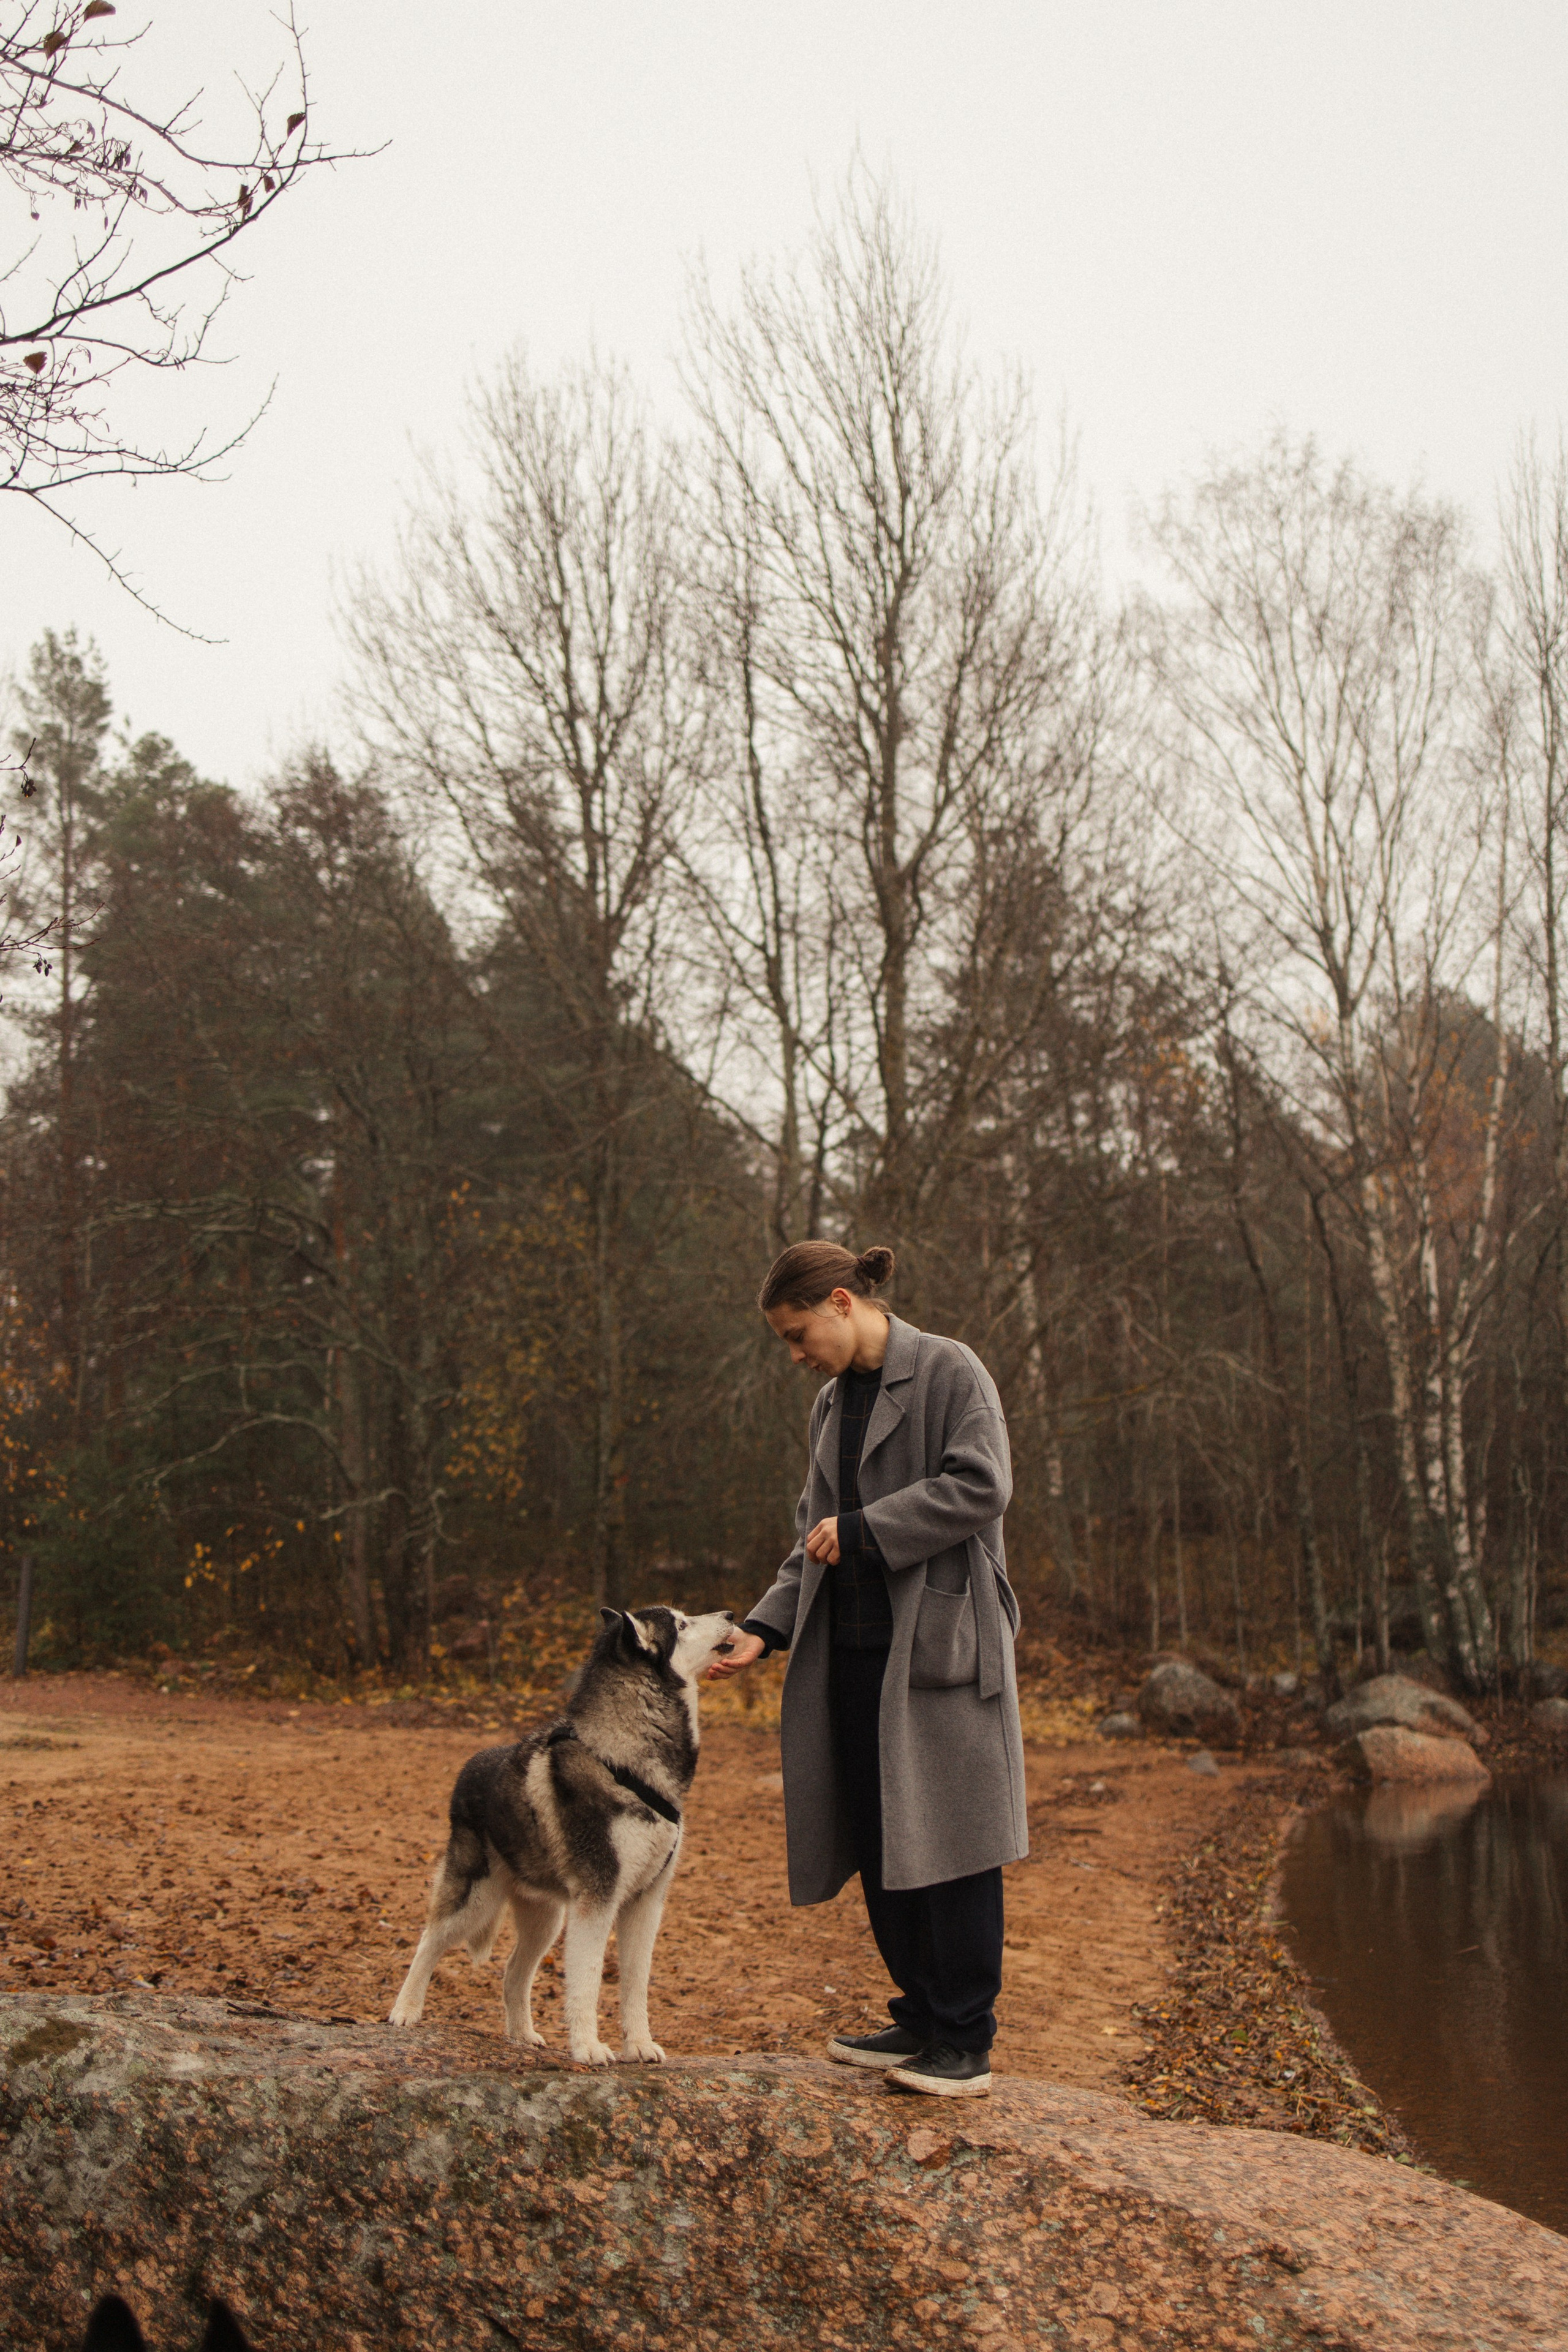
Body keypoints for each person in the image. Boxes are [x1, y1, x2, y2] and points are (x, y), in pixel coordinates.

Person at [710, 1240, 1027, 2098]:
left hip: (940, 1653)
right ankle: (920, 2016)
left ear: (843, 1303)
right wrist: (764, 1628)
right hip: (850, 1655)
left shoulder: (951, 1371)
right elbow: (812, 1533)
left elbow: (982, 1486)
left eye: (798, 1333)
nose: (795, 1355)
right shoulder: (829, 1404)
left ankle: (964, 2041)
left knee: (955, 1844)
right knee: (883, 1839)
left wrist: (866, 1529)